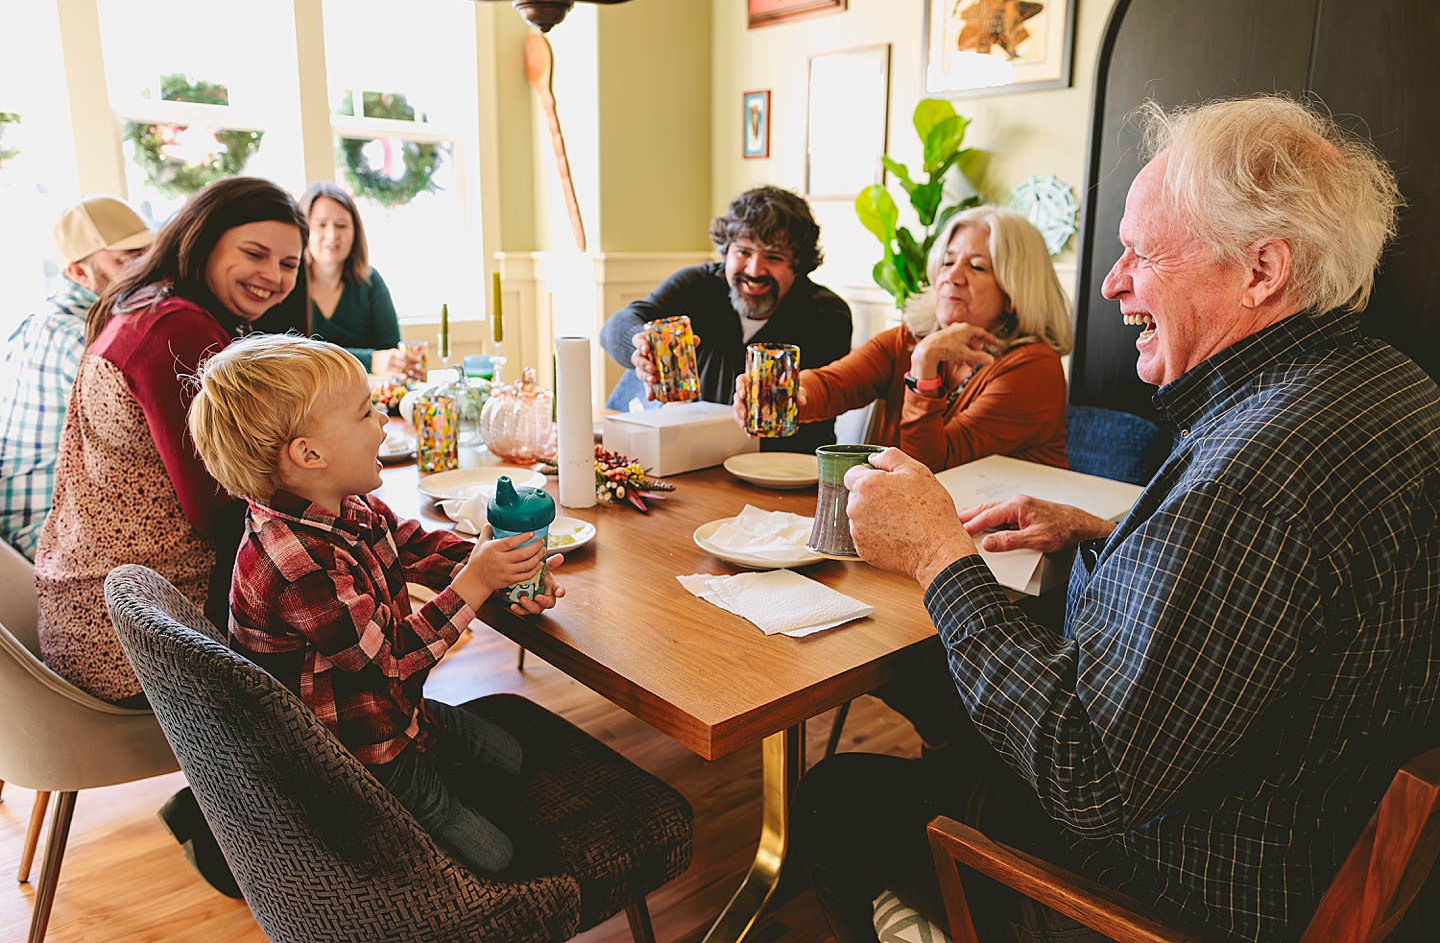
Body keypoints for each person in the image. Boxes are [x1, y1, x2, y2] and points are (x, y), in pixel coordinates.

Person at [792, 95, 1440, 943]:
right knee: (947, 706)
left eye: (1142, 252)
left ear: (1262, 269)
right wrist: (1111, 536)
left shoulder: (1252, 477)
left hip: (1173, 895)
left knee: (833, 796)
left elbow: (1087, 778)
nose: (1112, 281)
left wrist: (936, 555)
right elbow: (1278, 594)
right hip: (1299, 829)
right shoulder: (1386, 388)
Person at [187, 333, 564, 874]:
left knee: (512, 761)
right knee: (496, 860)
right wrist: (477, 582)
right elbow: (391, 658)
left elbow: (414, 544)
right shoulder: (293, 560)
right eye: (367, 412)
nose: (384, 420)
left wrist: (499, 564)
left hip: (394, 713)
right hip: (353, 753)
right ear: (308, 454)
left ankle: (446, 789)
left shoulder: (344, 504)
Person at [34, 177, 305, 706]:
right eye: (255, 253)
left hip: (91, 611)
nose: (273, 277)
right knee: (347, 636)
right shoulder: (176, 327)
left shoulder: (150, 305)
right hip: (138, 636)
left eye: (290, 265)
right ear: (203, 239)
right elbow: (220, 503)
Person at [733, 206, 1071, 472]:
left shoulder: (1033, 368)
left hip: (1010, 547)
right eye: (948, 261)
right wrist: (789, 392)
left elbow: (928, 467)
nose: (951, 276)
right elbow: (836, 383)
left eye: (977, 267)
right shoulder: (910, 339)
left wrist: (924, 367)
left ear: (1013, 291)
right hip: (922, 526)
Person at [599, 185, 853, 453]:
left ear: (799, 266)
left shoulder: (826, 315)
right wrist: (641, 347)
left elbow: (794, 420)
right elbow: (616, 326)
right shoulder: (699, 286)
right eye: (743, 252)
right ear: (727, 251)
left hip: (784, 469)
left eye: (774, 257)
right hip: (689, 457)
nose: (754, 270)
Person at [0, 196, 153, 558]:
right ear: (78, 273)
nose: (148, 267)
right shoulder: (82, 340)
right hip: (44, 531)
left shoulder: (44, 318)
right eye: (128, 258)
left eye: (147, 252)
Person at [299, 181, 417, 379]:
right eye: (320, 225)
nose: (332, 235)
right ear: (303, 229)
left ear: (355, 231)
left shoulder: (371, 282)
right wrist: (370, 360)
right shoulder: (287, 284)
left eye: (341, 225)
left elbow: (389, 353)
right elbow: (289, 358)